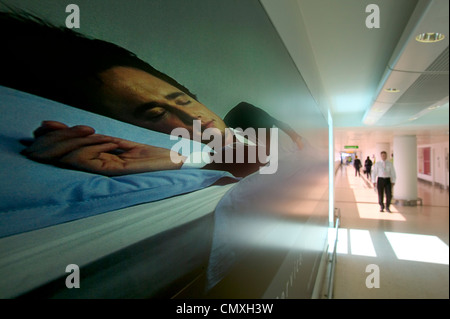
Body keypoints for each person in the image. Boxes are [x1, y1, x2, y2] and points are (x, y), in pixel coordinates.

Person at [1, 11, 303, 177]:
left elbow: (267, 158)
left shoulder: (243, 126)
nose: (192, 115)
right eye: (157, 113)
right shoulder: (196, 150)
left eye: (184, 101)